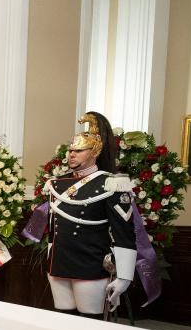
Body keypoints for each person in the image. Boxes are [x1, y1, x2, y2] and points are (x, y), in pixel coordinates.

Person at [44, 112, 136, 318]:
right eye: (70, 150)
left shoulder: (111, 183)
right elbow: (53, 228)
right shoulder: (58, 184)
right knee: (62, 319)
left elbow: (124, 232)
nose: (71, 155)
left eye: (79, 150)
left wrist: (124, 276)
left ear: (95, 152)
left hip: (90, 263)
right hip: (59, 262)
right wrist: (50, 256)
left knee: (89, 322)